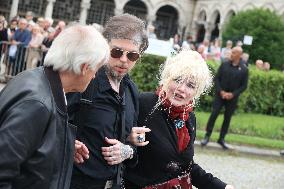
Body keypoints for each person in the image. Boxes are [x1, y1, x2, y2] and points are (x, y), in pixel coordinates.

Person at [0, 24, 109, 189]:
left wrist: (60, 144)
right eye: (96, 69)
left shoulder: (37, 80)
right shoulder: (37, 103)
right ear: (84, 67)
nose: (94, 77)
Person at [124, 50, 234, 189]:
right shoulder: (144, 104)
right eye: (177, 80)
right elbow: (114, 139)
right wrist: (128, 139)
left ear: (196, 92)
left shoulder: (189, 118)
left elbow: (186, 167)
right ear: (167, 78)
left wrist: (222, 187)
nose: (182, 89)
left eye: (190, 85)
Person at [67, 13, 149, 189]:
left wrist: (128, 150)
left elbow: (135, 140)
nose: (123, 60)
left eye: (132, 55)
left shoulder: (131, 90)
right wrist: (67, 143)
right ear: (104, 47)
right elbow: (48, 122)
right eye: (116, 51)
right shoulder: (84, 81)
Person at [201, 46, 248, 149]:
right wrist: (221, 91)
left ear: (239, 55)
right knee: (214, 114)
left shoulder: (244, 69)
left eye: (234, 52)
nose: (231, 54)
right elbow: (217, 79)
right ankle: (207, 136)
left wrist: (233, 94)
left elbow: (244, 86)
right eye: (232, 52)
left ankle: (221, 139)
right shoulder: (225, 64)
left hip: (232, 98)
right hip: (220, 95)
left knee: (227, 118)